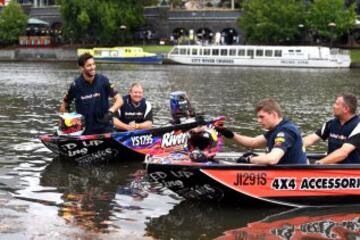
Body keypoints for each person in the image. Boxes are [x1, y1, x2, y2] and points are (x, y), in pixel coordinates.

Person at [216, 99, 307, 165]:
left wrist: (249, 159)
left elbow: (272, 159)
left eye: (261, 117)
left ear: (274, 115)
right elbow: (253, 142)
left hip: (291, 177)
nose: (259, 121)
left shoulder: (285, 131)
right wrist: (227, 132)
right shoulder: (276, 129)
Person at [59, 53, 123, 135]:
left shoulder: (104, 81)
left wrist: (110, 111)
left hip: (105, 129)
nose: (93, 67)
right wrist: (66, 122)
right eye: (89, 65)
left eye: (93, 64)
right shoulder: (75, 85)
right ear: (82, 68)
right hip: (85, 131)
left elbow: (120, 100)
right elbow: (64, 105)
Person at [303, 93, 360, 164]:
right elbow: (312, 138)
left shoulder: (358, 127)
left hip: (349, 171)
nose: (333, 106)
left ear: (346, 109)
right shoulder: (331, 123)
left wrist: (319, 163)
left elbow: (343, 153)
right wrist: (296, 146)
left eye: (337, 104)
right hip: (332, 168)